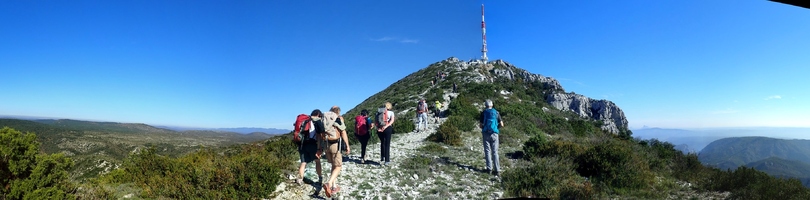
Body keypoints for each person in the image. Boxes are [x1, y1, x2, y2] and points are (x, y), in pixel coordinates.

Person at [318, 106, 350, 197]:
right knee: (338, 166)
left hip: (326, 144)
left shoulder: (324, 119)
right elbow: (343, 132)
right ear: (338, 112)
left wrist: (320, 147)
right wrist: (347, 145)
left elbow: (319, 134)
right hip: (335, 145)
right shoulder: (338, 118)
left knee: (333, 165)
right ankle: (329, 183)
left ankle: (333, 186)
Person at [297, 109, 324, 185]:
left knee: (303, 162)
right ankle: (320, 178)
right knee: (317, 161)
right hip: (312, 144)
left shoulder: (305, 120)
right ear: (318, 115)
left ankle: (300, 179)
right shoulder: (316, 122)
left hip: (302, 144)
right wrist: (319, 148)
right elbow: (319, 136)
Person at [479, 99, 504, 176]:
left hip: (486, 133)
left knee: (487, 151)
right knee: (495, 152)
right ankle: (497, 170)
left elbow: (480, 125)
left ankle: (489, 169)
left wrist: (485, 128)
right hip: (495, 134)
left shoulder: (483, 113)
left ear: (485, 105)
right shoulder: (496, 113)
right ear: (492, 105)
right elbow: (502, 124)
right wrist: (496, 128)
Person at [376, 102, 395, 166]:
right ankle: (387, 161)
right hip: (387, 128)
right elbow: (392, 121)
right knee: (387, 144)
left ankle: (382, 158)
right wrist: (386, 126)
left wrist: (379, 128)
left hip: (379, 129)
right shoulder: (391, 113)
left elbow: (376, 121)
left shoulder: (378, 112)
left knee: (382, 143)